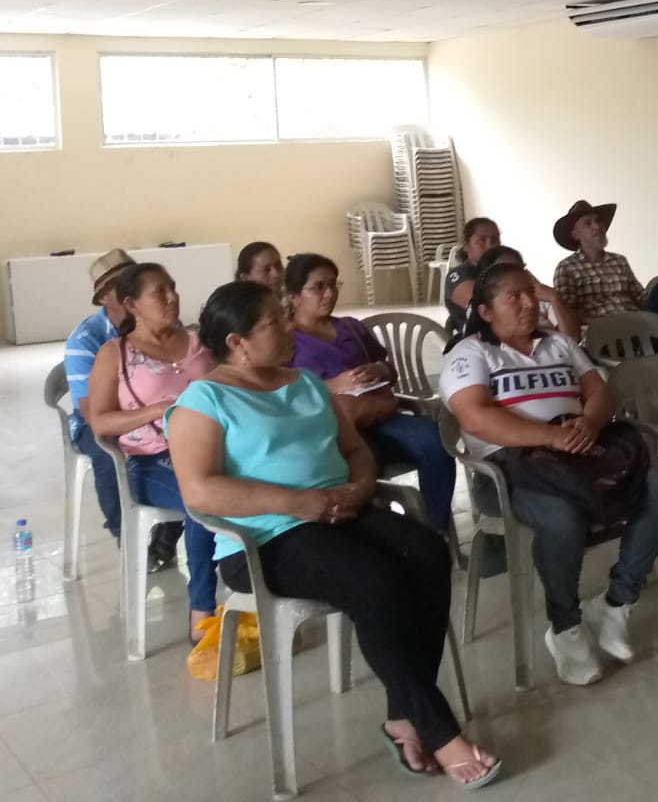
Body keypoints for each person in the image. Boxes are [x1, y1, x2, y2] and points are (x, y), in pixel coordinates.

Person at [167, 282, 498, 786]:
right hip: (264, 538)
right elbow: (200, 491)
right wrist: (296, 502)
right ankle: (439, 730)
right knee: (375, 580)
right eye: (273, 322)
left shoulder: (305, 383)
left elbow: (356, 451)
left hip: (339, 512)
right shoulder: (204, 400)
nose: (288, 327)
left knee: (427, 552)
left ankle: (404, 716)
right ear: (237, 342)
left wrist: (361, 486)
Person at [442, 263, 658, 687]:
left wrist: (589, 422)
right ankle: (565, 626)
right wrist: (551, 436)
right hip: (508, 470)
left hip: (578, 455)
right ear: (486, 311)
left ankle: (617, 603)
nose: (528, 303)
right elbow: (475, 418)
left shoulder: (559, 344)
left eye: (530, 293)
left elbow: (599, 391)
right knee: (561, 520)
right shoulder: (471, 353)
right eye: (513, 297)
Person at [83, 263, 218, 641]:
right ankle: (202, 611)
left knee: (259, 483)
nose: (172, 297)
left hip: (209, 447)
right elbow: (100, 423)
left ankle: (258, 590)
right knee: (202, 499)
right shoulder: (114, 354)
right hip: (151, 459)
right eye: (160, 292)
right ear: (132, 304)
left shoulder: (197, 342)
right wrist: (157, 410)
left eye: (173, 287)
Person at [284, 254, 457, 535]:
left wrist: (380, 370)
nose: (329, 293)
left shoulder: (351, 327)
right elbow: (282, 392)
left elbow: (389, 370)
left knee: (435, 443)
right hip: (332, 430)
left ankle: (436, 529)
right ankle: (379, 534)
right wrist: (332, 385)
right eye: (318, 287)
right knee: (358, 467)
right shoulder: (285, 340)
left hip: (380, 416)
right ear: (294, 296)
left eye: (333, 284)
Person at [64, 249, 134, 546]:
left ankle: (168, 533)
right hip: (96, 421)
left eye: (136, 281)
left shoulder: (161, 324)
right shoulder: (85, 340)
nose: (133, 290)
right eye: (123, 285)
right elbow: (92, 413)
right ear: (104, 296)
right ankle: (124, 533)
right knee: (109, 450)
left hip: (146, 411)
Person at [551, 200, 658, 323]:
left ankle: (654, 327)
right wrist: (598, 323)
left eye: (598, 221)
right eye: (588, 223)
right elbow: (566, 311)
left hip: (636, 320)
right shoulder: (567, 267)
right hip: (605, 327)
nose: (597, 226)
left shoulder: (619, 260)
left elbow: (639, 296)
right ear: (575, 234)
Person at [444, 217, 500, 336]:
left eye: (495, 240)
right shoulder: (458, 276)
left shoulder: (506, 269)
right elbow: (488, 308)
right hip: (478, 339)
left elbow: (538, 293)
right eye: (481, 241)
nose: (490, 246)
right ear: (466, 245)